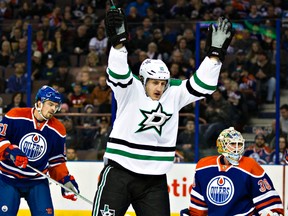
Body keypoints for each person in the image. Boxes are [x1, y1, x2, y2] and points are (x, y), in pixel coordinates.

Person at [92, 7, 234, 216]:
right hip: (119, 172)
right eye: (155, 83)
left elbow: (202, 86)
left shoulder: (173, 93)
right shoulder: (130, 89)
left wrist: (215, 56)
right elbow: (118, 72)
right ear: (143, 80)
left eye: (163, 83)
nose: (159, 88)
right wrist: (118, 43)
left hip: (154, 180)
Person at [0, 85, 79, 215]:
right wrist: (11, 152)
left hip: (36, 181)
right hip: (8, 178)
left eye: (56, 106)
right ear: (38, 103)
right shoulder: (16, 116)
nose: (53, 108)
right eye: (50, 104)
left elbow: (56, 161)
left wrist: (65, 180)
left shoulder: (58, 130)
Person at [180, 127, 284, 216]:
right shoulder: (204, 166)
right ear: (221, 145)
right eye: (233, 144)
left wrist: (273, 212)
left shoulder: (250, 166)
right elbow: (198, 208)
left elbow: (268, 201)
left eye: (239, 144)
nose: (237, 148)